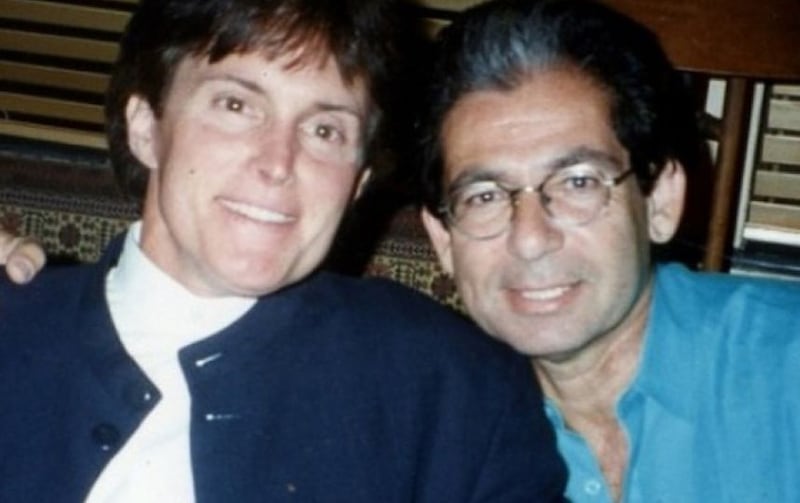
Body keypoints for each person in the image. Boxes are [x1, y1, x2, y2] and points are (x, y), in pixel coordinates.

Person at [0, 0, 567, 501]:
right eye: (235, 105)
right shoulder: (15, 327)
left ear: (359, 181)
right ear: (146, 128)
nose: (278, 163)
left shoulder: (451, 389)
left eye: (325, 130)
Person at [417, 0, 800, 502]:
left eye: (578, 182)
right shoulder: (427, 434)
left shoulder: (785, 370)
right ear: (443, 240)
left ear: (660, 200)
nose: (530, 240)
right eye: (484, 196)